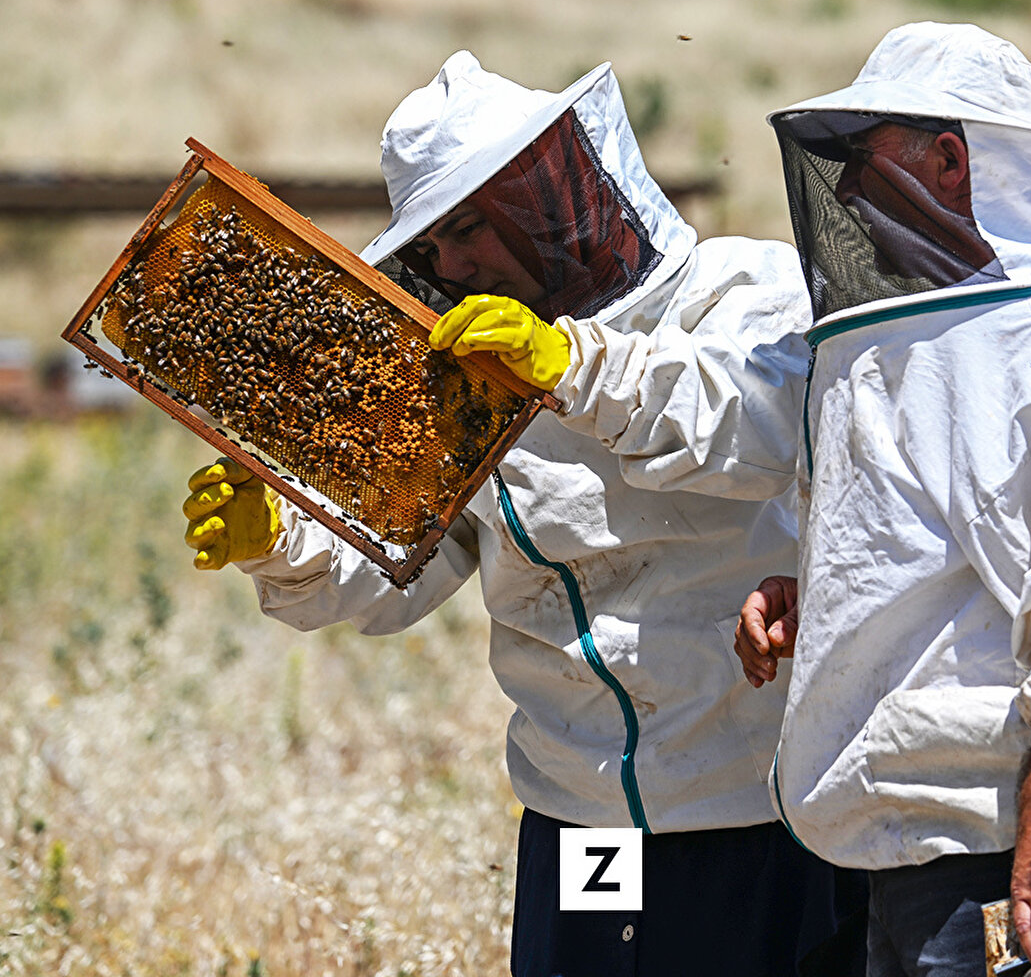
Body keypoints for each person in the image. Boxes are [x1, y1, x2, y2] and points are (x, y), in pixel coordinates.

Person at [182, 51, 867, 976]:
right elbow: (401, 567)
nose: (454, 265)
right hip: (585, 815)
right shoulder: (474, 366)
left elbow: (762, 425)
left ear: (550, 194)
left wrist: (569, 368)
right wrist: (286, 547)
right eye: (431, 251)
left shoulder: (738, 291)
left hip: (758, 810)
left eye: (469, 228)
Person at [734, 21, 1031, 976]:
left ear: (951, 160)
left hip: (1014, 833)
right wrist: (817, 595)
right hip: (917, 829)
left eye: (866, 160)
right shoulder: (949, 330)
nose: (850, 191)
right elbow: (953, 543)